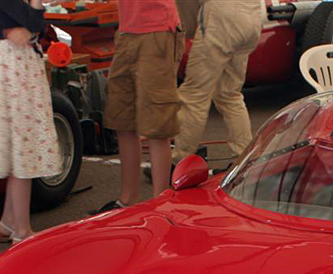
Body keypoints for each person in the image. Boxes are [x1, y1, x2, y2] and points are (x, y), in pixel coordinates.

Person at [0, 0, 63, 243]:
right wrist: (34, 15)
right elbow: (33, 20)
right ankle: (21, 230)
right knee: (22, 142)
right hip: (12, 63)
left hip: (12, 61)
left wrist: (31, 27)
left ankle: (9, 221)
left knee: (19, 139)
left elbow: (33, 25)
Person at [92, 0, 185, 214]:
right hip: (127, 32)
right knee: (122, 119)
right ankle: (128, 198)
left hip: (157, 30)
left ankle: (160, 203)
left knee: (157, 122)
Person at [172, 0, 263, 168]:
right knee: (230, 94)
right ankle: (245, 160)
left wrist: (188, 29)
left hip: (221, 18)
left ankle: (179, 162)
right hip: (252, 17)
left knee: (194, 95)